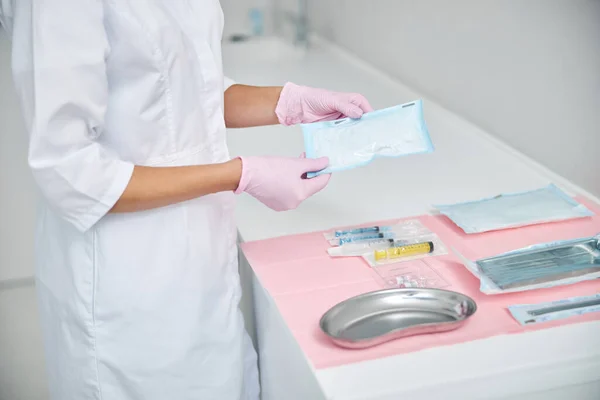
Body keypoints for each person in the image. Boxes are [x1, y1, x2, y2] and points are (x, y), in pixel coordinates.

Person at [0, 1, 373, 399]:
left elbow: (188, 92)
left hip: (200, 259)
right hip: (125, 276)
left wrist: (288, 102)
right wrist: (240, 174)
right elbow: (71, 173)